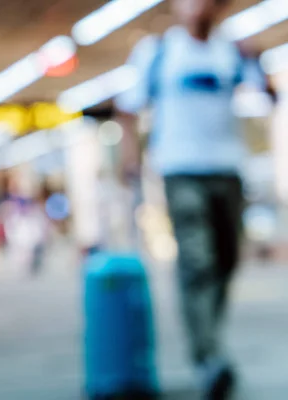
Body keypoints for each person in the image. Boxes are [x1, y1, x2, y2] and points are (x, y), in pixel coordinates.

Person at [115, 0, 277, 398]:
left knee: (226, 261)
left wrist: (259, 58)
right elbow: (129, 107)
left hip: (228, 169)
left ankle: (210, 341)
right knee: (197, 262)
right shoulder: (159, 52)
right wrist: (130, 155)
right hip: (181, 170)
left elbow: (269, 97)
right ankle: (209, 358)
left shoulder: (231, 52)